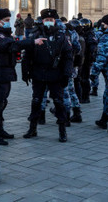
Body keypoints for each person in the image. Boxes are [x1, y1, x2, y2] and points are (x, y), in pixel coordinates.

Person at [0, 8, 45, 146]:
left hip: (4, 72)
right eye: (6, 20)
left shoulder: (1, 33)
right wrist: (32, 42)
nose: (8, 23)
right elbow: (9, 45)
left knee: (1, 103)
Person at [21, 8, 73, 143]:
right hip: (39, 73)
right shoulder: (35, 34)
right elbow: (27, 54)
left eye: (51, 20)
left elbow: (68, 56)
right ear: (42, 21)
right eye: (46, 20)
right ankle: (32, 128)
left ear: (54, 21)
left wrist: (67, 74)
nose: (48, 22)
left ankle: (62, 130)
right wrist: (25, 71)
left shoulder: (62, 36)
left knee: (58, 102)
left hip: (56, 74)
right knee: (36, 101)